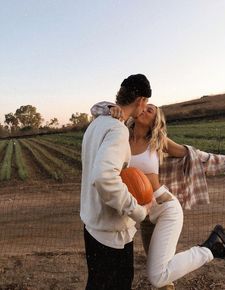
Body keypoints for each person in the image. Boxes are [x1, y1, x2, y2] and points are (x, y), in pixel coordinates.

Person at [91, 102, 225, 289]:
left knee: (158, 275)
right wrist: (110, 108)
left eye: (150, 110)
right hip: (144, 217)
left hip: (166, 209)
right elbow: (95, 109)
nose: (144, 109)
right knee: (163, 276)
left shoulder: (158, 142)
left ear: (155, 121)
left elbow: (196, 156)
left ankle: (210, 247)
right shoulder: (119, 136)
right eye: (143, 106)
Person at [80, 74, 155, 290]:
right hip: (111, 234)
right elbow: (104, 177)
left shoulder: (97, 124)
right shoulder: (117, 130)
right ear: (141, 100)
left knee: (96, 284)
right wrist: (139, 211)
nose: (145, 109)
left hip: (93, 226)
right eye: (146, 104)